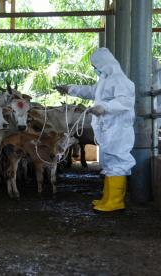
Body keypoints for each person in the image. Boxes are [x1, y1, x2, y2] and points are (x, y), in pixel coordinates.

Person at [55, 47, 136, 212]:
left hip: (118, 128)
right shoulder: (105, 80)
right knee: (109, 162)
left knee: (117, 162)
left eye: (95, 65)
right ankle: (107, 198)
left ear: (104, 63)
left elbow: (126, 101)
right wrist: (70, 88)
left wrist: (105, 107)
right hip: (108, 129)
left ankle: (115, 202)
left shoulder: (120, 80)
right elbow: (91, 91)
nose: (95, 69)